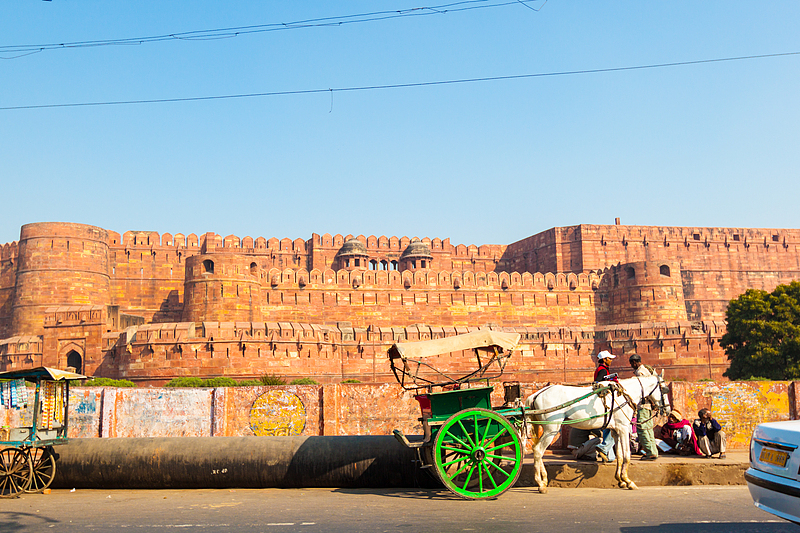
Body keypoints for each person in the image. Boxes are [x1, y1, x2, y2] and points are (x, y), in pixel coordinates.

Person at [629, 354, 658, 460]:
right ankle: (653, 451)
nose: (631, 365)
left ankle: (650, 452)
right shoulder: (648, 369)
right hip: (649, 405)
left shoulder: (640, 372)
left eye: (632, 363)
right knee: (649, 429)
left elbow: (645, 390)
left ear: (634, 362)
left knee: (642, 429)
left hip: (644, 405)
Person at [592, 350, 618, 462]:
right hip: (604, 402)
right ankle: (604, 448)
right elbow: (598, 383)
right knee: (612, 429)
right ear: (604, 359)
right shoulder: (602, 370)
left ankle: (610, 456)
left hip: (603, 402)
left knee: (608, 429)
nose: (611, 360)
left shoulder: (603, 369)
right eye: (609, 358)